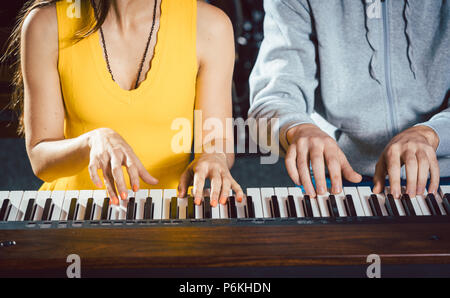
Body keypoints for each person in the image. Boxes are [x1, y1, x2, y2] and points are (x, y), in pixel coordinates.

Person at [4, 0, 243, 206]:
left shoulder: (212, 26)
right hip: (72, 214)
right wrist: (91, 141)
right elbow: (41, 160)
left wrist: (214, 157)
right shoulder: (45, 24)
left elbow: (216, 142)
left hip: (169, 213)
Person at [249, 0, 449, 199]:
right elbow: (273, 97)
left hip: (443, 174)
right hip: (338, 179)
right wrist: (298, 128)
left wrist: (432, 133)